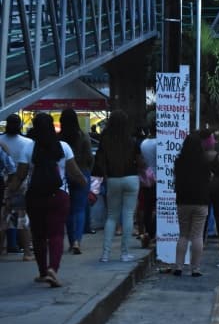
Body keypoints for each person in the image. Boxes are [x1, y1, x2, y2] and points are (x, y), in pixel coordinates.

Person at [11, 113, 87, 287]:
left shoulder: (29, 148)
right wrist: (85, 186)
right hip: (58, 196)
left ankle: (43, 272)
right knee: (56, 234)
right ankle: (53, 269)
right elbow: (74, 172)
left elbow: (20, 175)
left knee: (38, 236)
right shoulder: (63, 147)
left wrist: (10, 192)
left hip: (34, 196)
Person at [94, 110, 143, 263]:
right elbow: (140, 161)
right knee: (128, 215)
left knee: (111, 217)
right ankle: (124, 253)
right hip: (131, 178)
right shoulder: (131, 140)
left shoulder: (105, 139)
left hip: (113, 179)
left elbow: (100, 161)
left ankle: (105, 254)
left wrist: (106, 175)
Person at [173, 132, 211, 276]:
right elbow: (208, 180)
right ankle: (195, 268)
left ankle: (178, 266)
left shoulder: (179, 161)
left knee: (183, 234)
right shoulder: (205, 161)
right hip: (200, 201)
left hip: (183, 200)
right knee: (197, 236)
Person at [59, 108, 94, 255]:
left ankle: (71, 239)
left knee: (67, 210)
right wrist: (88, 171)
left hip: (65, 175)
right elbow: (90, 157)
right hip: (82, 173)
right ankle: (77, 242)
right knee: (79, 209)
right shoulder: (83, 136)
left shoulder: (59, 138)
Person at [0, 114, 33, 261]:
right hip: (21, 182)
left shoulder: (1, 141)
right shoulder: (28, 142)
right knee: (21, 218)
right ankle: (26, 252)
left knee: (3, 218)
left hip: (4, 182)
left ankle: (2, 250)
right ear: (20, 125)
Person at [139, 110, 157, 248]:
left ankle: (148, 233)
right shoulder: (159, 144)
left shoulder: (144, 143)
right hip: (158, 180)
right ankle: (153, 234)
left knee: (147, 208)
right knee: (158, 209)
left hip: (145, 180)